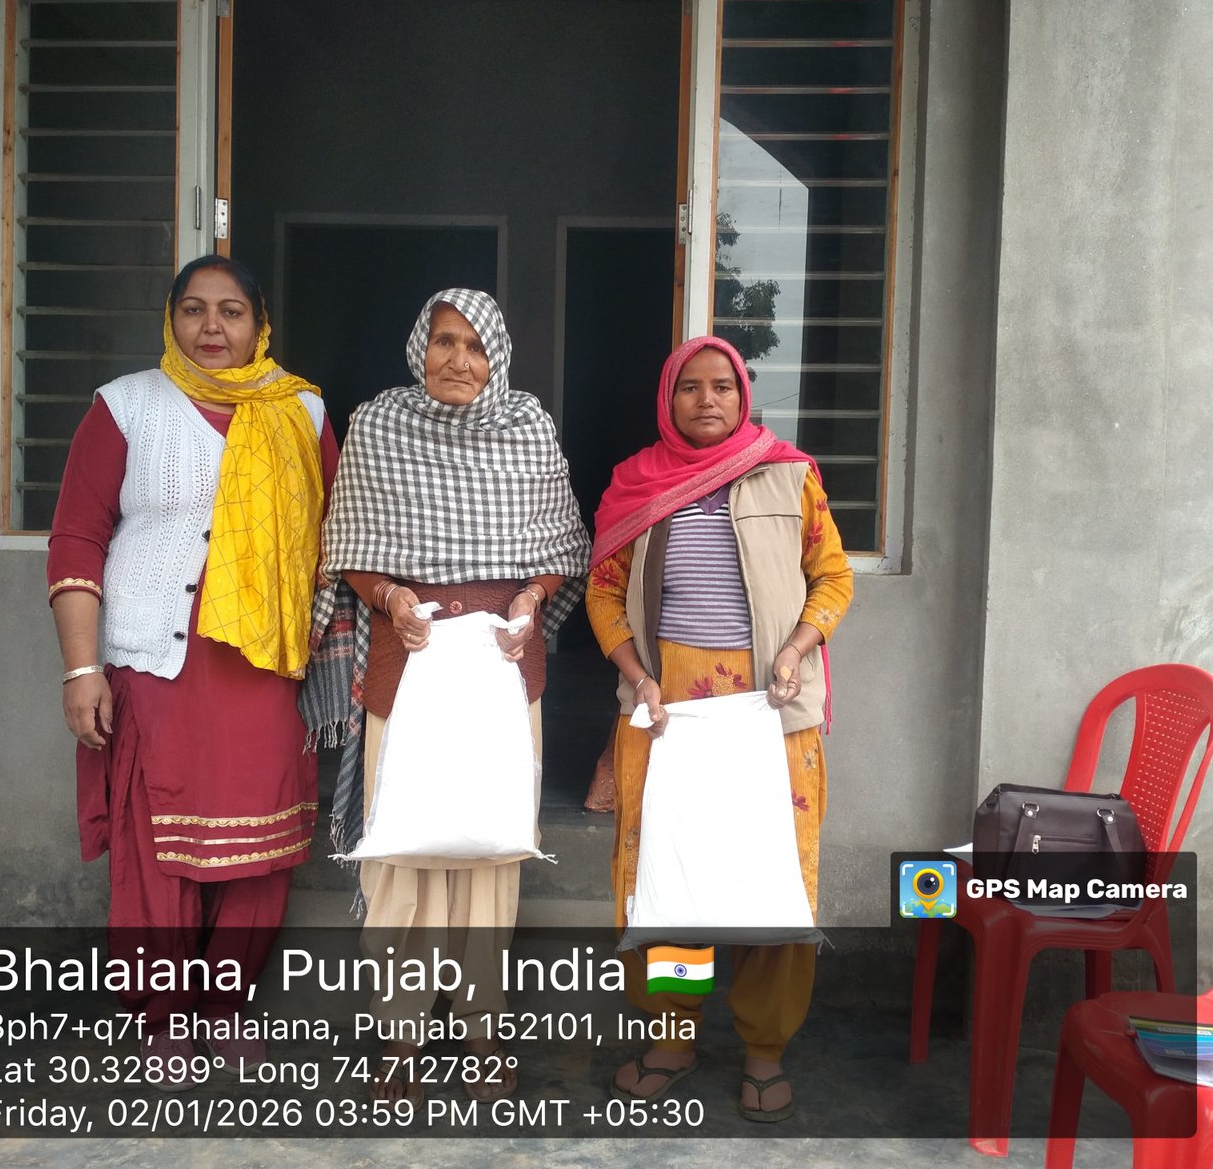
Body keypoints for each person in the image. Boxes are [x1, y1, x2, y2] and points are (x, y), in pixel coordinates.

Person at [47, 254, 338, 1087]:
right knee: (158, 844)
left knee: (261, 846)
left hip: (264, 665)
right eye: (194, 309)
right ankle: (163, 1016)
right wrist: (80, 668)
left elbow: (338, 530)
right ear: (171, 319)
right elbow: (76, 539)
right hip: (157, 663)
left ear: (260, 325)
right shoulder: (125, 406)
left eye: (231, 311)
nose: (212, 327)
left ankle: (223, 1007)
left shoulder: (303, 410)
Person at [309, 287, 590, 1105]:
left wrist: (531, 598)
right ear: (419, 348)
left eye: (475, 345)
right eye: (443, 341)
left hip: (503, 664)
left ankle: (480, 1031)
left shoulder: (527, 427)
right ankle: (400, 1034)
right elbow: (348, 543)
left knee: (489, 855)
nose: (458, 359)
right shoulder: (379, 426)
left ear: (496, 357)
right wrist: (391, 596)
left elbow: (561, 547)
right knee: (403, 850)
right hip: (408, 660)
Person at [585, 334, 853, 1122]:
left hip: (771, 713)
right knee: (667, 878)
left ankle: (765, 1048)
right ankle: (672, 1039)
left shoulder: (789, 475)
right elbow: (603, 591)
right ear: (667, 399)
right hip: (666, 713)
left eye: (723, 386)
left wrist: (797, 649)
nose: (707, 400)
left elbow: (833, 576)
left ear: (743, 396)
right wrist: (637, 675)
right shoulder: (636, 483)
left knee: (771, 878)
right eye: (690, 387)